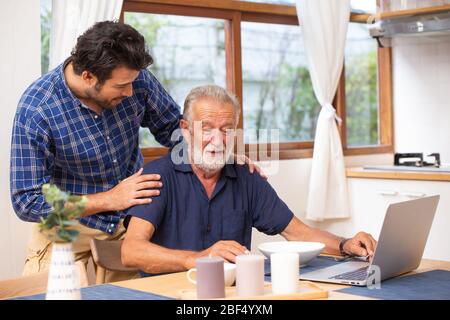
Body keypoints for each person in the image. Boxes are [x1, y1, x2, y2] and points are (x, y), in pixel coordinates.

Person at [121, 85, 377, 276]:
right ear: (186, 131)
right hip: (169, 294)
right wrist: (198, 258)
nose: (218, 140)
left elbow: (300, 233)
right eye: (206, 128)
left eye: (226, 129)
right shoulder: (158, 176)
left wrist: (345, 245)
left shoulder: (246, 177)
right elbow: (131, 251)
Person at [10, 21, 180, 281]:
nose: (131, 91)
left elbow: (173, 129)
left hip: (127, 218)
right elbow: (28, 201)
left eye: (132, 82)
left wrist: (217, 154)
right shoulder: (37, 109)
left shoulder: (134, 79)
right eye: (121, 86)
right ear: (88, 76)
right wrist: (109, 199)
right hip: (66, 223)